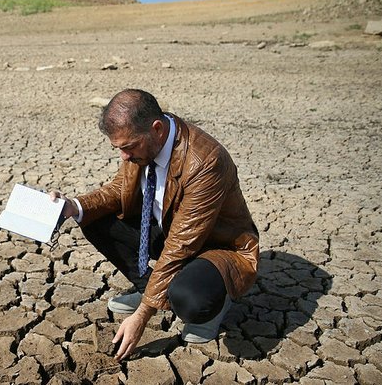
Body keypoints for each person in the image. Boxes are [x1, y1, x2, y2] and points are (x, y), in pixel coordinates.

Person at [50, 89, 259, 362]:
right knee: (93, 219)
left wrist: (142, 316)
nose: (124, 156)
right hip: (169, 228)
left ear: (157, 129)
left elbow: (181, 246)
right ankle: (148, 288)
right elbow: (119, 190)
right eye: (119, 149)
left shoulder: (205, 161)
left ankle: (216, 303)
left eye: (128, 147)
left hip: (215, 248)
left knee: (188, 299)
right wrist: (74, 206)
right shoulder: (143, 144)